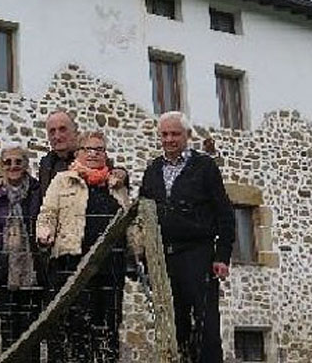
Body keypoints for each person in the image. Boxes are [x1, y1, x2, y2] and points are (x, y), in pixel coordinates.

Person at [139, 112, 235, 363]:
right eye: (165, 134)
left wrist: (222, 256)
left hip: (198, 254)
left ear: (187, 136)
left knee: (206, 326)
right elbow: (143, 214)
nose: (169, 139)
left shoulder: (204, 167)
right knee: (174, 323)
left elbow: (224, 213)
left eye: (175, 134)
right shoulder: (152, 170)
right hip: (164, 258)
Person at [36, 130, 137, 363]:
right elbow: (48, 213)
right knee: (75, 327)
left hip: (110, 268)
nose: (93, 154)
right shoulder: (63, 180)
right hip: (73, 265)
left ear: (105, 154)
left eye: (99, 149)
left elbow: (129, 222)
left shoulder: (116, 185)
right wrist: (44, 232)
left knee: (107, 328)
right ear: (78, 153)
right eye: (87, 149)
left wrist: (138, 250)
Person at [0, 146, 46, 357]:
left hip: (33, 272)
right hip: (3, 271)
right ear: (1, 167)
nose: (13, 166)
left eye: (18, 161)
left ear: (26, 165)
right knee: (8, 330)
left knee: (31, 331)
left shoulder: (39, 191)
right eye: (7, 162)